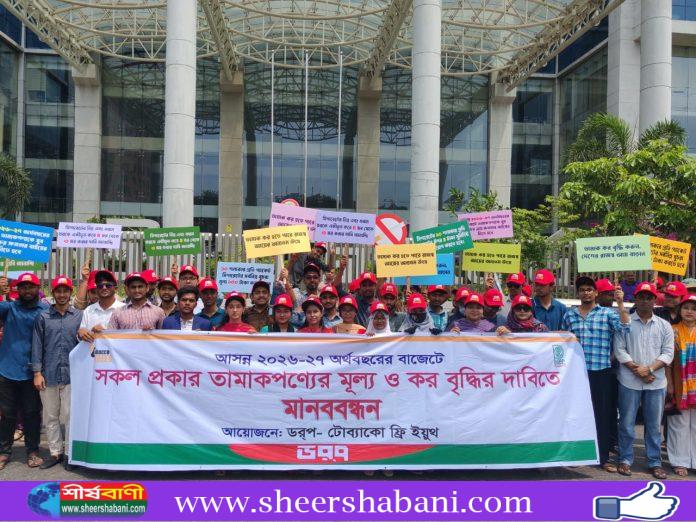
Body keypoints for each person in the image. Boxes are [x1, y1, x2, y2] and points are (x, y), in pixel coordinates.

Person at [562, 275, 629, 472]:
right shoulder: (569, 315)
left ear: (596, 293)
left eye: (589, 289)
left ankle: (603, 457)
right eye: (582, 290)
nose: (586, 293)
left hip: (601, 373)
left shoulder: (607, 313)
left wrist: (620, 303)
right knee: (576, 414)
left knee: (602, 415)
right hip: (576, 375)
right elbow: (564, 341)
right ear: (578, 293)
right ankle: (577, 453)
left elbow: (626, 328)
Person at [614, 282, 674, 479]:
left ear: (655, 300)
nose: (645, 301)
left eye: (649, 297)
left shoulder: (664, 325)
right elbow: (619, 350)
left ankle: (654, 462)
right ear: (636, 299)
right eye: (641, 297)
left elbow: (668, 353)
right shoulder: (625, 322)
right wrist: (637, 370)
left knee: (654, 426)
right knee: (626, 423)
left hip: (656, 382)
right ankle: (625, 459)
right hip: (629, 381)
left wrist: (649, 369)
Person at [31, 276, 83, 469]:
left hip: (72, 375)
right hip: (48, 374)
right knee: (51, 416)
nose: (62, 295)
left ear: (70, 292)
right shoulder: (43, 317)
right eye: (58, 291)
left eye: (65, 291)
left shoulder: (79, 316)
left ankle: (69, 453)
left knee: (70, 416)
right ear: (53, 293)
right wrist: (37, 373)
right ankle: (55, 453)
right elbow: (37, 345)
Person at [0, 273, 48, 470]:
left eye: (31, 287)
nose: (27, 290)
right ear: (17, 289)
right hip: (7, 370)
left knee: (32, 414)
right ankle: (4, 452)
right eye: (23, 287)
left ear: (38, 288)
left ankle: (32, 451)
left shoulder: (45, 310)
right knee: (7, 415)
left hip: (33, 372)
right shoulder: (9, 308)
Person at [666, 294, 696, 476]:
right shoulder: (672, 330)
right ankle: (680, 461)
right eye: (686, 308)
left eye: (694, 309)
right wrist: (670, 384)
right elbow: (667, 361)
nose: (689, 312)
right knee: (679, 424)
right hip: (679, 385)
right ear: (680, 310)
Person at [77, 270, 125, 342]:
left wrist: (105, 333)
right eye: (100, 286)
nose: (104, 288)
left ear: (115, 288)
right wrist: (81, 334)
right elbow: (81, 337)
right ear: (96, 289)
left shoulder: (125, 309)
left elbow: (130, 337)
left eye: (108, 285)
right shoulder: (88, 310)